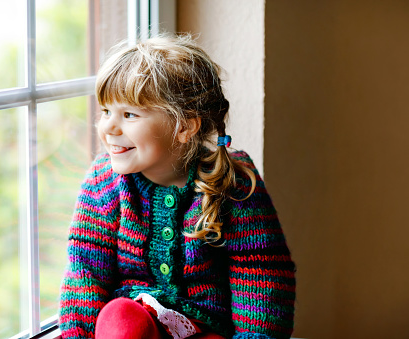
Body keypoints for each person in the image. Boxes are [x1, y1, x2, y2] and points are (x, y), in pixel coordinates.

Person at [59, 34, 295, 339]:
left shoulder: (230, 182)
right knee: (121, 318)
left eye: (128, 114)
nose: (108, 128)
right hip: (135, 321)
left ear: (184, 126)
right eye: (106, 111)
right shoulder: (103, 182)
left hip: (206, 326)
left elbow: (262, 274)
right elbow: (85, 273)